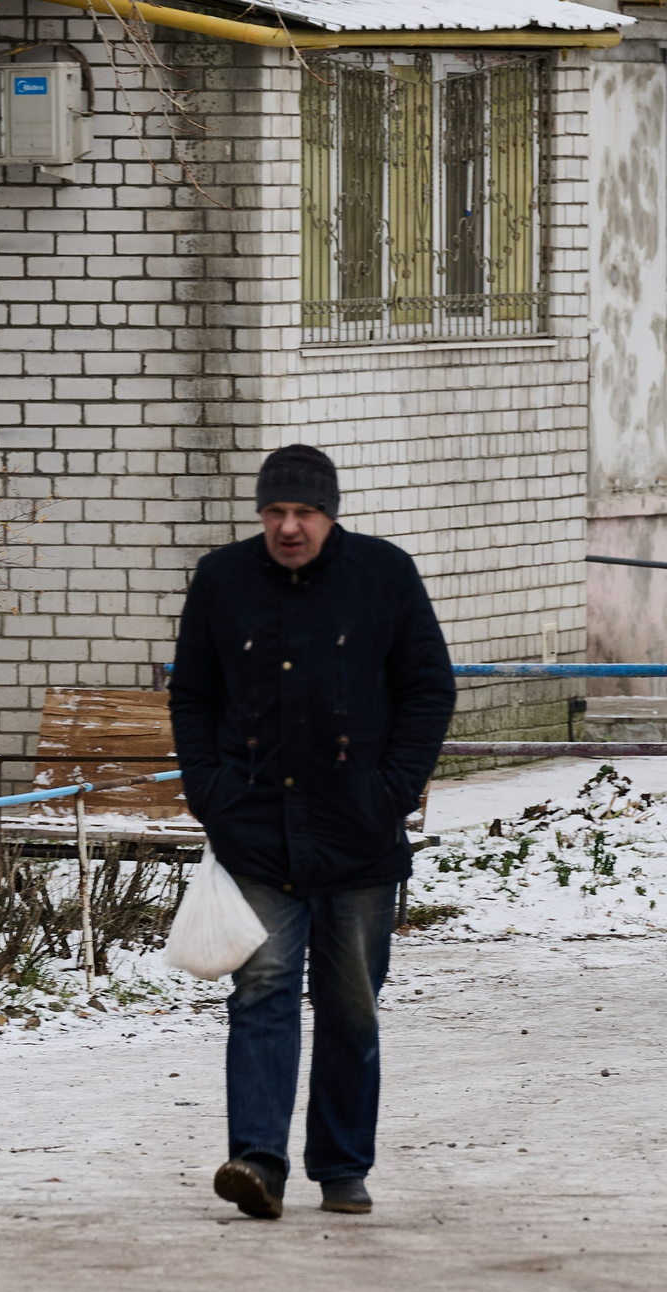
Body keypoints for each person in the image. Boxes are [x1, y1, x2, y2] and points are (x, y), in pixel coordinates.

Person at [168, 443, 456, 1220]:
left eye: (303, 513)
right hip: (256, 832)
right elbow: (191, 694)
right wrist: (213, 793)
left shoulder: (384, 576)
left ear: (330, 514)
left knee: (350, 1003)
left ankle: (341, 1166)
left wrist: (389, 790)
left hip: (357, 837)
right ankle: (257, 1160)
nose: (288, 527)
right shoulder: (222, 580)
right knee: (259, 989)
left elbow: (429, 687)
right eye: (275, 512)